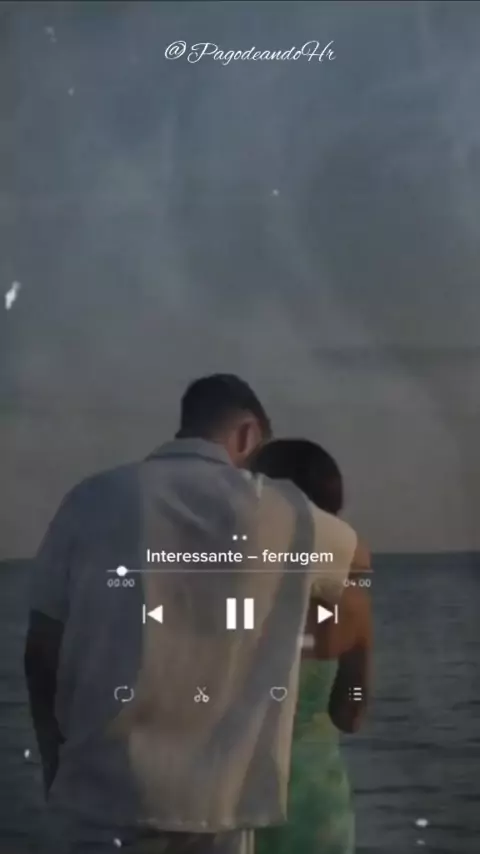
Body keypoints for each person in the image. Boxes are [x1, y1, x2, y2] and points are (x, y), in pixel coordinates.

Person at [24, 374, 370, 854]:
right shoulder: (281, 510)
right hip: (218, 810)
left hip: (97, 798)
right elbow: (356, 556)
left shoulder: (89, 498)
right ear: (248, 434)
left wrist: (53, 763)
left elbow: (42, 655)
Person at [251, 439, 372, 854]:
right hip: (319, 805)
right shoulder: (351, 602)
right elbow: (351, 715)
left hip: (242, 799)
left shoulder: (238, 600)